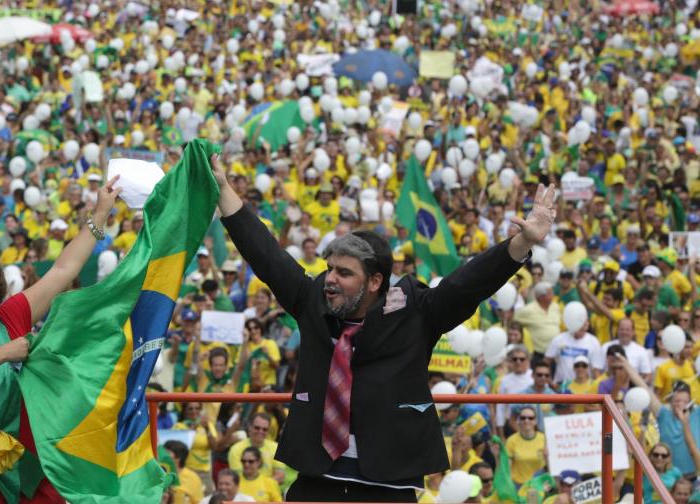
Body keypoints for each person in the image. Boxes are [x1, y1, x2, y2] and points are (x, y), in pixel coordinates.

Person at [212, 155, 557, 501]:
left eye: (344, 273)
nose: (330, 279)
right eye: (330, 268)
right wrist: (224, 190)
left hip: (388, 484)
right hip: (317, 480)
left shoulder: (416, 313)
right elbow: (267, 256)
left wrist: (522, 243)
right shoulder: (312, 301)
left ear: (375, 281)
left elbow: (468, 284)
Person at [0, 176, 121, 502]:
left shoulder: (12, 316)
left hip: (30, 474)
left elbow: (62, 270)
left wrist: (99, 214)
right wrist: (3, 354)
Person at [505, 406, 547, 486]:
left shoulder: (544, 439)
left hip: (539, 484)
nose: (526, 420)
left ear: (535, 421)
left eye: (530, 418)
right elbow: (507, 468)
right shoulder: (511, 441)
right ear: (518, 421)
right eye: (523, 418)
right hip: (518, 485)